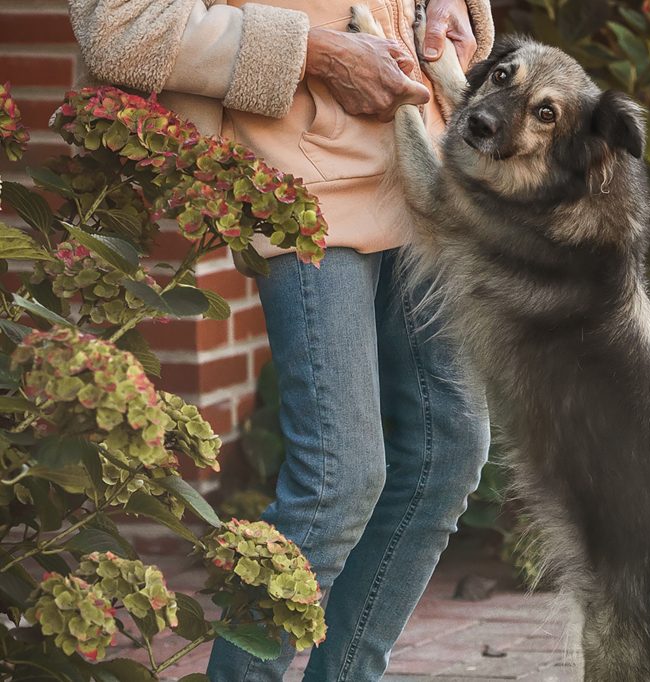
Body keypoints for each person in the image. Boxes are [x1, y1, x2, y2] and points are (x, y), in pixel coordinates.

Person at [66, 1, 494, 679]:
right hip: (298, 182)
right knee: (339, 481)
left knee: (451, 451)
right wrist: (316, 53)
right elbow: (119, 27)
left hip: (426, 160)